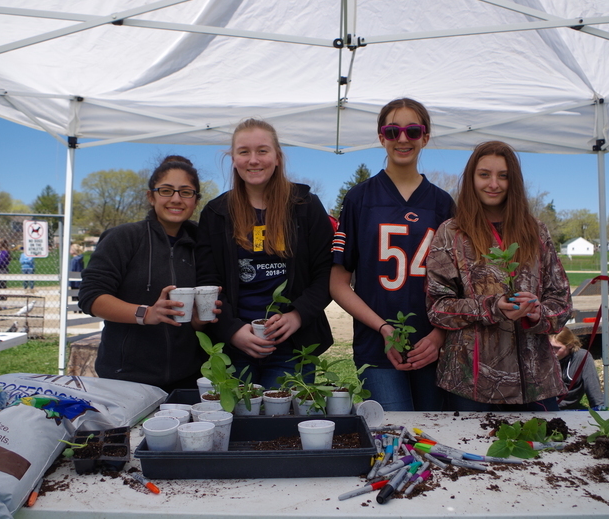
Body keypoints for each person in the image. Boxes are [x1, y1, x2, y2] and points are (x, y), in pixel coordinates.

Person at [426, 140, 572, 411]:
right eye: (484, 174)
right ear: (472, 178)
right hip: (470, 386)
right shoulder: (451, 233)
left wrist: (537, 313)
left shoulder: (536, 232)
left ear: (513, 181)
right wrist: (491, 307)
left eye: (503, 176)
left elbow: (562, 303)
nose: (493, 184)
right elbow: (438, 308)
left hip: (536, 384)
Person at [329, 98, 455, 411]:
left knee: (434, 433)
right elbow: (338, 283)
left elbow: (459, 285)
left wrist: (439, 336)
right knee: (395, 432)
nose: (402, 138)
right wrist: (383, 328)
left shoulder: (443, 204)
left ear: (425, 137)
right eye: (392, 130)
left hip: (431, 345)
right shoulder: (359, 198)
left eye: (412, 131)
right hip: (377, 345)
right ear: (381, 136)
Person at [196, 118, 334, 389]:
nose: (253, 160)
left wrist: (298, 315)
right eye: (244, 151)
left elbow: (326, 273)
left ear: (277, 157)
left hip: (293, 347)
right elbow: (208, 282)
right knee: (237, 416)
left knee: (283, 417)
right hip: (234, 348)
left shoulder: (306, 206)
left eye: (262, 150)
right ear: (233, 159)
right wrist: (232, 330)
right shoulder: (216, 213)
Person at [78, 156, 214, 393]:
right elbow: (91, 297)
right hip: (126, 379)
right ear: (151, 196)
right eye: (166, 190)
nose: (176, 199)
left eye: (186, 192)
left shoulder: (202, 243)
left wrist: (199, 321)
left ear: (196, 200)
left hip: (190, 378)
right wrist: (146, 313)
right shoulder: (124, 237)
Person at [550, 326, 604, 410]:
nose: (552, 351)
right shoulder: (543, 356)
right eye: (550, 347)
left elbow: (592, 383)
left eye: (557, 348)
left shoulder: (581, 357)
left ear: (570, 345)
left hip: (566, 406)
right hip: (544, 406)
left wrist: (598, 407)